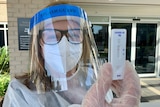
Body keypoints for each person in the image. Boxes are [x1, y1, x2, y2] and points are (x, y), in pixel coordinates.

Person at [2, 1, 141, 107]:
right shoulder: (21, 91)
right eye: (52, 36)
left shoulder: (98, 82)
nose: (64, 43)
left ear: (84, 41)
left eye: (74, 34)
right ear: (39, 44)